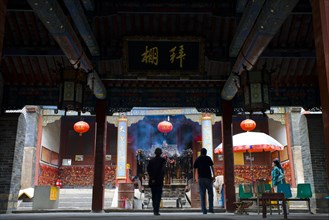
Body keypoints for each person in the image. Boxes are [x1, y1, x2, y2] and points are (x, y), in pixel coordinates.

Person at [193, 148, 215, 214]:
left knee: (202, 194)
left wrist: (195, 177)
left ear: (200, 152)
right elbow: (212, 167)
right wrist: (214, 175)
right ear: (206, 152)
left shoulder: (197, 159)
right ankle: (211, 208)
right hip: (208, 178)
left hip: (201, 178)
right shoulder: (208, 158)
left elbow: (195, 169)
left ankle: (204, 210)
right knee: (211, 194)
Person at [147, 147, 166, 216]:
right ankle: (156, 210)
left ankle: (154, 209)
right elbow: (163, 170)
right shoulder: (163, 160)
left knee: (154, 195)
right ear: (161, 153)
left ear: (155, 153)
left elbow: (148, 170)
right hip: (159, 180)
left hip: (152, 180)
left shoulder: (151, 161)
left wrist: (152, 177)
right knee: (158, 196)